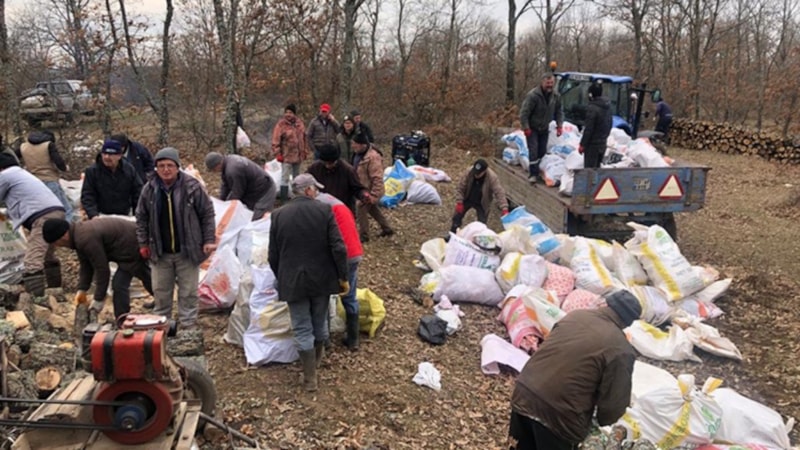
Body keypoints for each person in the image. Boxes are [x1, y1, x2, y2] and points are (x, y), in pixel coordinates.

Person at [508, 290, 641, 449]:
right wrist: (601, 420)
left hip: (524, 392)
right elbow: (614, 404)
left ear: (607, 303)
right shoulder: (621, 349)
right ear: (629, 322)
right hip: (559, 416)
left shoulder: (576, 316)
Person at [268, 174, 348, 392]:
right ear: (309, 191)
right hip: (322, 278)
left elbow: (272, 256)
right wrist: (343, 276)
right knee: (319, 322)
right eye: (315, 189)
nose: (317, 193)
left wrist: (282, 276)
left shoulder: (278, 215)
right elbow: (339, 248)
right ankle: (317, 362)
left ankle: (310, 378)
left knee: (302, 328)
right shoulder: (323, 211)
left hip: (292, 281)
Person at [135, 147, 217, 330]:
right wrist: (143, 243)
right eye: (161, 166)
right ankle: (160, 326)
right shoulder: (149, 189)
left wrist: (208, 239)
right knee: (161, 292)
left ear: (177, 166)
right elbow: (141, 217)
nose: (166, 170)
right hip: (160, 251)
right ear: (156, 168)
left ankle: (188, 326)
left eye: (170, 165)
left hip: (187, 250)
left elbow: (207, 214)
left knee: (188, 292)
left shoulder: (192, 187)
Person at [42, 217, 154, 321]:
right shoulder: (78, 235)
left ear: (63, 236)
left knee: (119, 285)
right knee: (143, 273)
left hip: (131, 245)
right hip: (127, 243)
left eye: (56, 243)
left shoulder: (85, 239)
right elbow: (86, 265)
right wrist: (82, 289)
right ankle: (160, 298)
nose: (58, 246)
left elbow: (102, 270)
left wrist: (98, 299)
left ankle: (122, 319)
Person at [0, 153, 66, 296]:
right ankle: (56, 293)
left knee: (32, 261)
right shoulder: (22, 174)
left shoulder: (6, 175)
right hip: (56, 211)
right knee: (48, 255)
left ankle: (36, 301)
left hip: (42, 216)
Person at [316, 192, 363, 350]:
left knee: (324, 294)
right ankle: (353, 339)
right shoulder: (338, 204)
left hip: (340, 254)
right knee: (350, 296)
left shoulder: (321, 208)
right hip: (355, 252)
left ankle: (325, 339)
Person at [16, 130, 74, 222]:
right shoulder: (48, 145)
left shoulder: (23, 146)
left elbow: (12, 158)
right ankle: (66, 231)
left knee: (41, 212)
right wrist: (65, 168)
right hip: (49, 180)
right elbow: (58, 162)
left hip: (32, 183)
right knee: (66, 210)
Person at [204, 151, 278, 220]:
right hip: (253, 190)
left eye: (213, 170)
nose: (214, 172)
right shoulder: (228, 162)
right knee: (247, 215)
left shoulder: (233, 170)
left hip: (265, 191)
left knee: (258, 219)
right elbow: (225, 186)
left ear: (218, 165)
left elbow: (237, 192)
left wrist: (227, 207)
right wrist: (221, 203)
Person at [81, 139, 143, 219]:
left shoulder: (129, 170)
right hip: (101, 215)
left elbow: (138, 192)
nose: (107, 157)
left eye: (111, 154)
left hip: (124, 215)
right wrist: (93, 214)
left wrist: (138, 215)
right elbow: (87, 195)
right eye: (105, 154)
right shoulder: (92, 171)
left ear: (119, 156)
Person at [520, 72, 563, 183]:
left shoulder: (555, 96)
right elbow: (524, 113)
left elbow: (559, 111)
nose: (550, 85)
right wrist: (526, 127)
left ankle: (540, 172)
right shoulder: (533, 96)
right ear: (542, 82)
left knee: (542, 152)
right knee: (533, 150)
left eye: (552, 83)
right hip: (533, 128)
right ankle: (533, 174)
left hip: (544, 128)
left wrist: (559, 125)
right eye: (547, 83)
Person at [307, 144, 371, 217]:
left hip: (343, 208)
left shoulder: (347, 170)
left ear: (336, 160)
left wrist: (363, 195)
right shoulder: (315, 168)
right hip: (322, 210)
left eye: (331, 163)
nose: (328, 165)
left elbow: (357, 188)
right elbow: (306, 181)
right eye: (325, 163)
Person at [351, 133, 393, 241]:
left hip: (371, 190)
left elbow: (377, 178)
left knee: (360, 208)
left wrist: (373, 195)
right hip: (363, 188)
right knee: (373, 209)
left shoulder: (373, 158)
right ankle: (387, 229)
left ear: (363, 145)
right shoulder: (357, 154)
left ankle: (364, 236)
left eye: (355, 144)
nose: (353, 146)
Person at [450, 159, 508, 234]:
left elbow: (499, 192)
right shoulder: (469, 172)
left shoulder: (492, 178)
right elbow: (460, 187)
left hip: (482, 202)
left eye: (478, 174)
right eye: (475, 173)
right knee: (457, 217)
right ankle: (452, 233)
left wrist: (504, 207)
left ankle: (479, 239)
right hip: (468, 198)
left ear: (484, 171)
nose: (476, 175)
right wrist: (459, 202)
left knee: (482, 225)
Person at [271, 103, 308, 202]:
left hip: (298, 155)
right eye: (286, 112)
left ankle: (297, 198)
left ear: (294, 114)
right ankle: (284, 200)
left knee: (297, 177)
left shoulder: (299, 124)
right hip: (286, 155)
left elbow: (304, 138)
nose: (288, 114)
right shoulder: (281, 125)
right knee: (285, 177)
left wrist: (305, 151)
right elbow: (275, 140)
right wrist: (278, 153)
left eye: (290, 112)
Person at [578, 83, 613, 169]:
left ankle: (589, 183)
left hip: (592, 145)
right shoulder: (607, 107)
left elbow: (589, 129)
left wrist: (582, 144)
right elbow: (610, 124)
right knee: (597, 169)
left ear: (590, 94)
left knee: (589, 171)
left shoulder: (593, 108)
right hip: (602, 144)